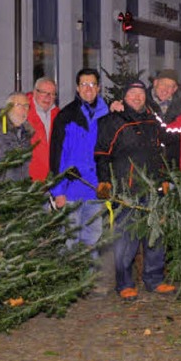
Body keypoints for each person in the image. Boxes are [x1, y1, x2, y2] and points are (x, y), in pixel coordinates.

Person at [94, 79, 175, 301]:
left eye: (140, 93)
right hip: (126, 190)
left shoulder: (152, 120)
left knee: (155, 235)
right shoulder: (113, 120)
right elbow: (102, 153)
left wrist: (165, 178)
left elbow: (163, 150)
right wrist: (104, 181)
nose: (137, 97)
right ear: (124, 97)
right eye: (132, 93)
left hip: (153, 188)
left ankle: (154, 279)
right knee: (125, 238)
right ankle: (124, 283)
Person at [49, 68, 109, 259]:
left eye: (92, 84)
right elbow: (57, 155)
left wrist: (106, 182)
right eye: (84, 84)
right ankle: (69, 285)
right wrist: (58, 191)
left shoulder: (106, 116)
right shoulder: (66, 116)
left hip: (95, 190)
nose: (88, 88)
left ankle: (89, 284)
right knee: (69, 241)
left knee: (92, 240)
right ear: (77, 88)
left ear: (98, 88)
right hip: (71, 191)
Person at [0, 92, 33, 187]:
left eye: (26, 105)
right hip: (1, 195)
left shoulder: (26, 133)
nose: (24, 109)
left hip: (21, 193)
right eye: (19, 105)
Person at [146, 69, 181, 167]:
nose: (165, 89)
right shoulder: (141, 102)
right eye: (163, 84)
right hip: (145, 166)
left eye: (170, 86)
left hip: (172, 167)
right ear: (155, 83)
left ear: (175, 89)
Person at [27, 77, 60, 181]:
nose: (48, 97)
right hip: (27, 181)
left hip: (52, 179)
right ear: (34, 92)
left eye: (52, 94)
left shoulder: (59, 116)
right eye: (44, 92)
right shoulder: (23, 111)